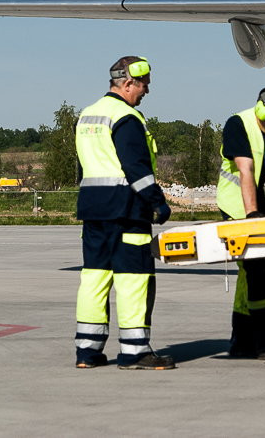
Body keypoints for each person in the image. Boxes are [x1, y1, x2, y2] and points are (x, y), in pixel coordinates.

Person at [74, 56, 176, 370]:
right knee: (133, 279)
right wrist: (158, 202)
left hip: (93, 208)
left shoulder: (87, 115)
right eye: (143, 84)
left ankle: (87, 352)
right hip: (127, 209)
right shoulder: (126, 117)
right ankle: (134, 352)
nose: (146, 90)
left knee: (94, 278)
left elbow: (82, 167)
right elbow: (136, 168)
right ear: (127, 82)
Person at [216, 86, 265, 360]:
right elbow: (246, 170)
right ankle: (262, 339)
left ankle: (241, 338)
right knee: (256, 268)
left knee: (257, 272)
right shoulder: (239, 124)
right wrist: (252, 217)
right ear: (260, 111)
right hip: (239, 207)